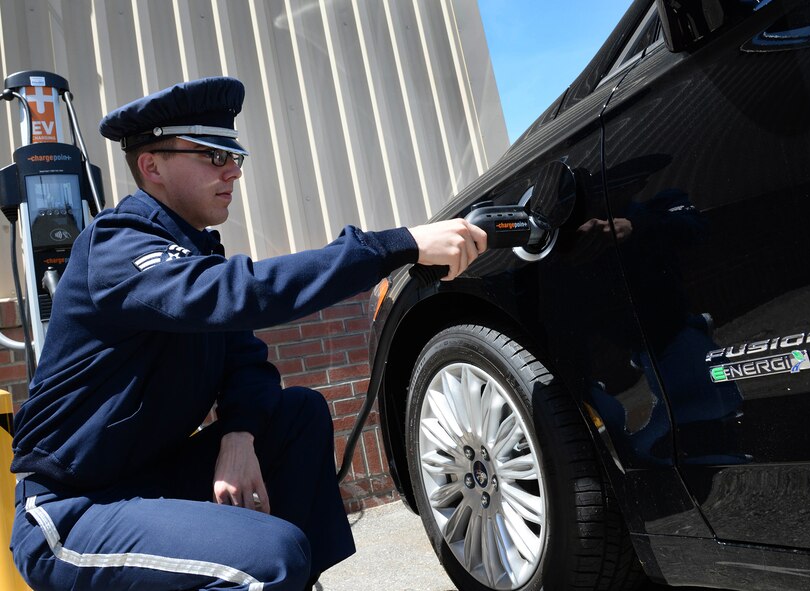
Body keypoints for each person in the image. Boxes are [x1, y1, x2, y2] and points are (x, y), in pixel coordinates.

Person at [9, 77, 486, 591]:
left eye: (234, 156)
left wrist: (240, 434)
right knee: (269, 557)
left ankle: (292, 580)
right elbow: (236, 293)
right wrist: (398, 245)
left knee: (297, 415)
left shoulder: (194, 255)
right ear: (152, 166)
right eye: (214, 156)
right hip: (75, 509)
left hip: (153, 483)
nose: (233, 169)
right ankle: (270, 575)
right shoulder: (115, 245)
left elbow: (246, 361)